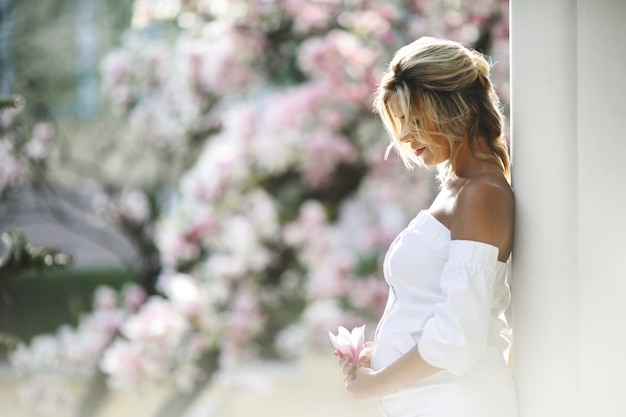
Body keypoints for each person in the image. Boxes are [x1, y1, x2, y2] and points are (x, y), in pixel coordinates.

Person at [335, 37, 518, 417]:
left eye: (415, 120)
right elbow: (436, 308)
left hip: (459, 403)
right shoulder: (459, 187)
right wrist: (384, 357)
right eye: (400, 122)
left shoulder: (481, 193)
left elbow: (457, 338)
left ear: (453, 108)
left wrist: (376, 384)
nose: (403, 136)